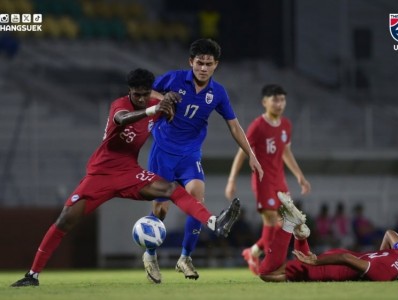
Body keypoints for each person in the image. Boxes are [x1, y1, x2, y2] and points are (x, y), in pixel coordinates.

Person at [10, 68, 241, 287]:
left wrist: (171, 106)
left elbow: (177, 112)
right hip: (100, 174)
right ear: (130, 91)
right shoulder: (120, 105)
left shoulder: (155, 103)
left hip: (130, 172)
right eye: (136, 94)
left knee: (170, 190)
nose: (140, 98)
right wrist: (153, 109)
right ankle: (33, 275)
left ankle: (213, 222)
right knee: (65, 220)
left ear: (150, 90)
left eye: (144, 94)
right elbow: (122, 119)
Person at [145, 38, 263, 282]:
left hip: (190, 154)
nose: (204, 68)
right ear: (191, 62)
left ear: (216, 65)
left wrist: (251, 155)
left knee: (197, 197)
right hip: (163, 151)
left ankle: (185, 258)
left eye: (209, 64)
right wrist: (162, 98)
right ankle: (150, 254)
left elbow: (234, 126)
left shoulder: (218, 93)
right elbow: (146, 91)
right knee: (161, 209)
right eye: (199, 63)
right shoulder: (174, 79)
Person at [224, 84, 311, 275]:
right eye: (275, 100)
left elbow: (286, 151)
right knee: (271, 220)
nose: (279, 104)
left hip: (280, 180)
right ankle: (272, 265)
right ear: (265, 102)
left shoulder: (286, 125)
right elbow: (242, 152)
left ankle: (253, 252)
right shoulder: (258, 126)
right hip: (262, 180)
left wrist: (300, 176)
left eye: (282, 100)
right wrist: (232, 180)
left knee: (286, 223)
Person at [258, 192, 398, 282]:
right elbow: (346, 260)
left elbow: (390, 234)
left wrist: (381, 252)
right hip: (335, 267)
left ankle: (300, 236)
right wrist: (316, 262)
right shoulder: (385, 274)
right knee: (266, 273)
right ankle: (289, 225)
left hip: (340, 256)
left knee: (292, 269)